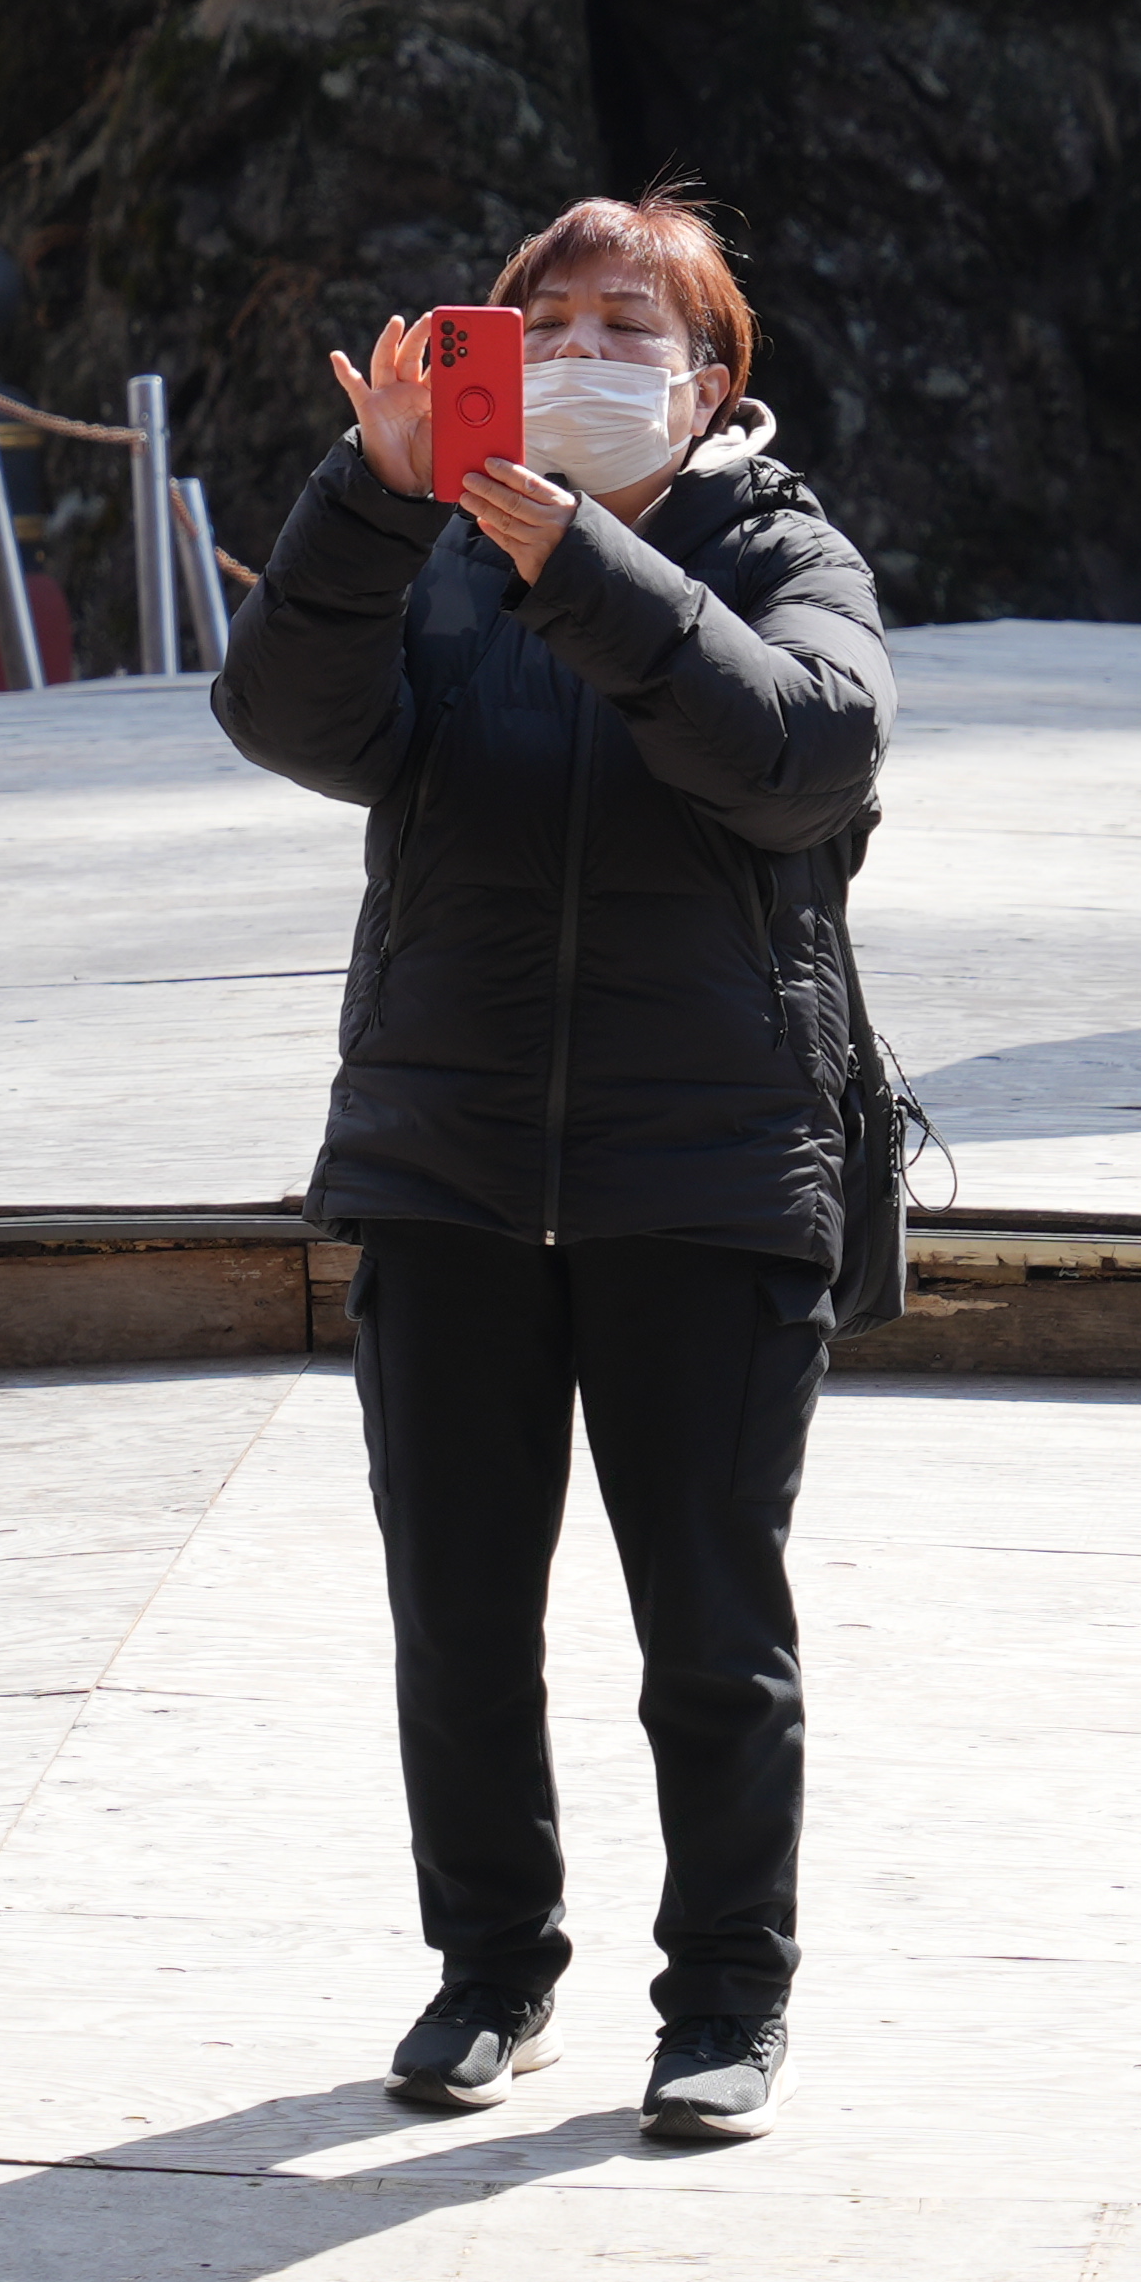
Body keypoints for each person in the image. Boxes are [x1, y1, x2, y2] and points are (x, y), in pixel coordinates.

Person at [211, 190, 897, 2148]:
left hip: (710, 1163)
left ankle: (729, 2004)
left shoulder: (782, 544)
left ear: (714, 374)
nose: (595, 352)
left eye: (635, 323)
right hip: (448, 1155)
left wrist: (579, 558)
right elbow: (285, 715)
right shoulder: (422, 550)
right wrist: (370, 488)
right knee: (460, 1606)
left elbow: (802, 756)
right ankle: (490, 1967)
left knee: (709, 1620)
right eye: (557, 320)